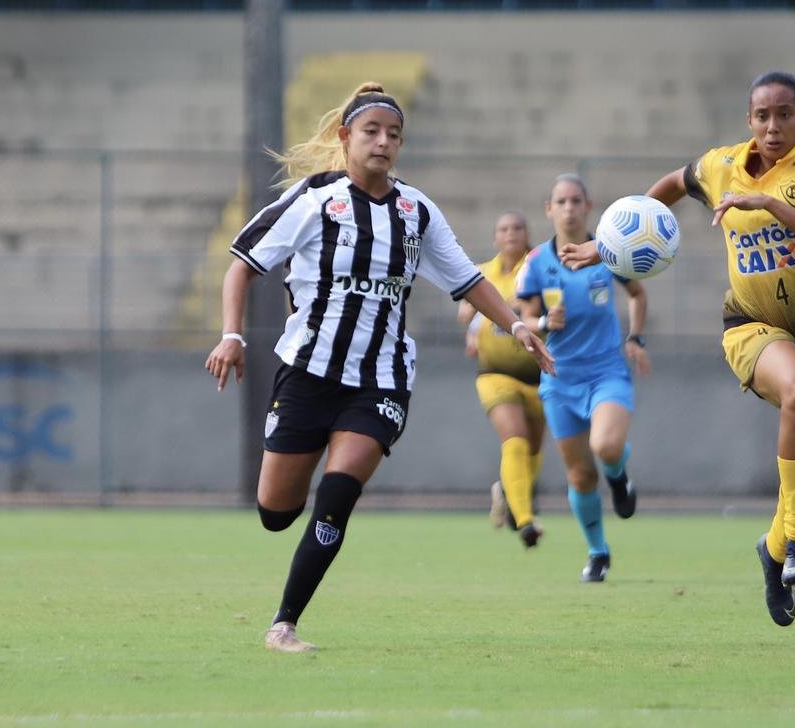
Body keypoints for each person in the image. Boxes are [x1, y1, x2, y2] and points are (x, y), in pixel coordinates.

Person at [204, 82, 553, 652]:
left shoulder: (417, 211)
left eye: (394, 135)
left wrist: (514, 325)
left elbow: (467, 278)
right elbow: (241, 264)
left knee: (338, 494)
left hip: (380, 380)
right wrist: (232, 335)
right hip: (308, 374)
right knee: (275, 512)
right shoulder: (314, 200)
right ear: (345, 138)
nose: (384, 142)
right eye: (371, 131)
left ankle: (284, 623)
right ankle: (291, 524)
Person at [560, 70, 795, 626]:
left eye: (785, 115)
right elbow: (674, 184)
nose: (773, 126)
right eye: (763, 116)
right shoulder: (720, 166)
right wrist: (615, 245)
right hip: (752, 325)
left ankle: (774, 553)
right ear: (749, 120)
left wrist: (773, 207)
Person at [517, 173, 650, 583]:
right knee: (579, 474)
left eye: (576, 200)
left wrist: (635, 337)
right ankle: (598, 552)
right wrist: (542, 320)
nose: (569, 208)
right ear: (549, 209)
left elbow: (638, 293)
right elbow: (522, 316)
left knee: (606, 445)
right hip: (559, 378)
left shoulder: (609, 251)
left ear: (588, 207)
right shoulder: (537, 262)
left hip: (606, 370)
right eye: (561, 201)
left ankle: (619, 476)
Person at [456, 211, 548, 548]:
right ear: (495, 237)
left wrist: (526, 312)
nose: (511, 234)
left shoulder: (537, 267)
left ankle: (510, 493)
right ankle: (524, 520)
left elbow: (540, 309)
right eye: (504, 229)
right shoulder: (482, 273)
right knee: (516, 438)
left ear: (527, 233)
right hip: (494, 372)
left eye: (518, 228)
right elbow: (465, 313)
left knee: (534, 448)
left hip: (538, 375)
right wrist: (476, 318)